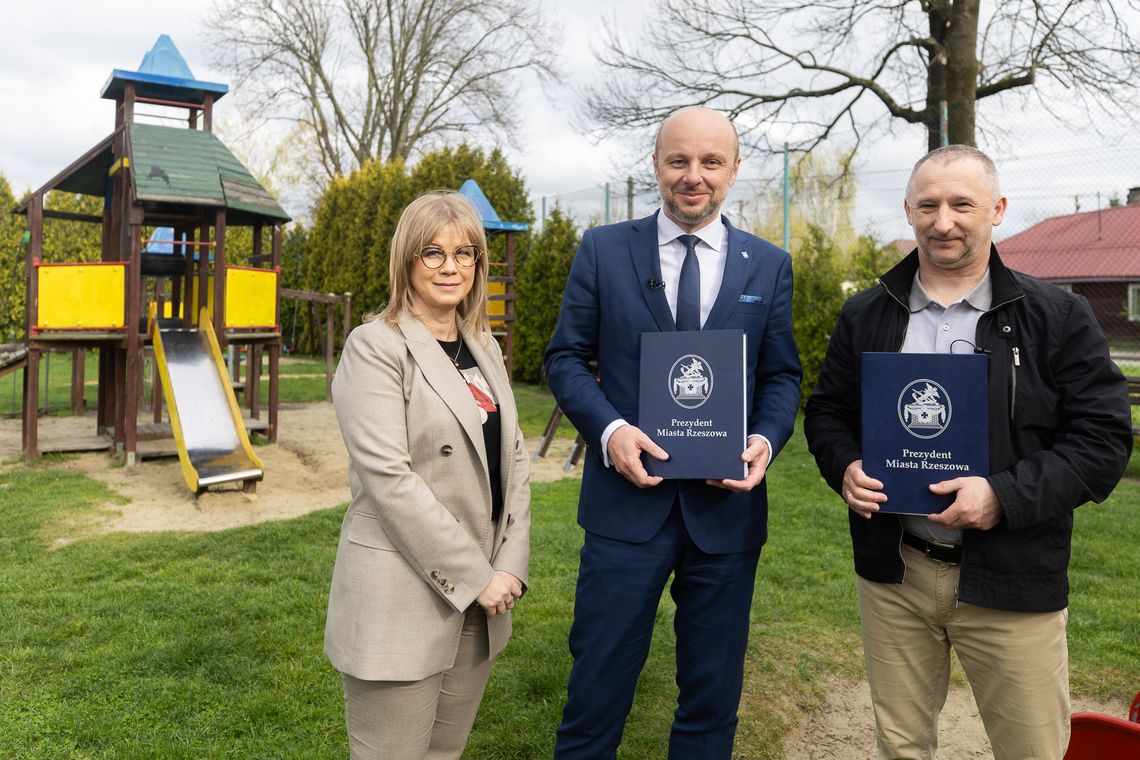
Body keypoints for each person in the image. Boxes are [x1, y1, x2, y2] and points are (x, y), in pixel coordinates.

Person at [803, 145, 1133, 759]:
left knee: (1030, 749)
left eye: (963, 204)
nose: (944, 220)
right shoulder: (868, 314)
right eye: (928, 204)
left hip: (1011, 575)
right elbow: (826, 413)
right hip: (894, 572)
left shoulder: (1058, 317)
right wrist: (844, 466)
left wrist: (1002, 496)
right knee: (901, 747)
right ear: (908, 210)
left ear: (997, 209)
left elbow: (1103, 439)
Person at [545, 106, 802, 758]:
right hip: (625, 509)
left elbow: (781, 377)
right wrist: (609, 431)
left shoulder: (768, 266)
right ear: (657, 166)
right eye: (679, 161)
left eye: (711, 162)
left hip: (726, 515)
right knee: (595, 690)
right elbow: (565, 358)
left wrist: (763, 442)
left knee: (712, 702)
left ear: (734, 170)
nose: (694, 176)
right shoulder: (603, 251)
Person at [325, 191, 531, 760]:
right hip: (403, 595)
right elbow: (390, 480)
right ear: (406, 262)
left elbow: (514, 461)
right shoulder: (374, 348)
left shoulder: (484, 347)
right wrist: (477, 575)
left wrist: (510, 565)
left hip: (480, 597)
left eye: (464, 253)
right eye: (432, 253)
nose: (450, 267)